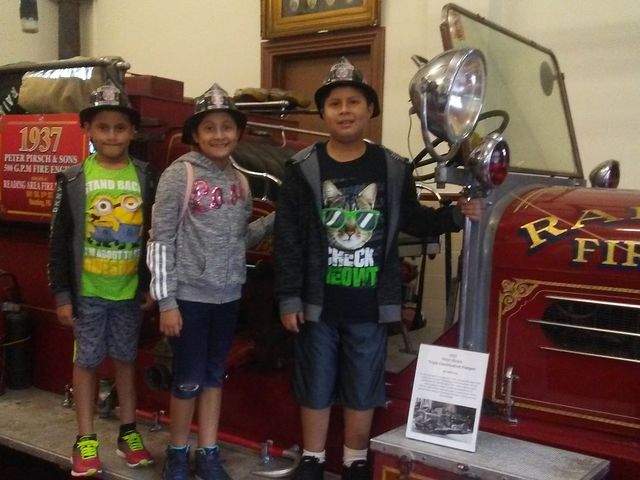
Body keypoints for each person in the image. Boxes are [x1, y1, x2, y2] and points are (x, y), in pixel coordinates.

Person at [274, 57, 482, 480]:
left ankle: (355, 461)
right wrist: (289, 297)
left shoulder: (392, 167)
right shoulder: (302, 168)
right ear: (323, 112)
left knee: (363, 384)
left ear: (370, 109)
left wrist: (455, 216)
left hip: (370, 304)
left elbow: (413, 219)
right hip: (317, 302)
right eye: (335, 103)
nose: (345, 110)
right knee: (315, 381)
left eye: (354, 101)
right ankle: (312, 460)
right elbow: (289, 238)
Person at [147, 83, 274, 480]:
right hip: (189, 299)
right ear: (196, 134)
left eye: (227, 127)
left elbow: (239, 240)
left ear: (238, 132)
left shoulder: (240, 181)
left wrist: (275, 220)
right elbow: (160, 240)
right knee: (187, 379)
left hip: (228, 297)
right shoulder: (179, 175)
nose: (219, 135)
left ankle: (208, 451)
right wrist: (167, 301)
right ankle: (177, 453)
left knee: (215, 376)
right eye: (210, 128)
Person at [48, 81, 155, 477]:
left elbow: (155, 236)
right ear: (87, 129)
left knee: (126, 360)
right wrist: (63, 294)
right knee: (87, 362)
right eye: (103, 127)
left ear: (133, 132)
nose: (112, 135)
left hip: (129, 292)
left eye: (120, 128)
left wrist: (150, 284)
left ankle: (128, 432)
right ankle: (86, 439)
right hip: (88, 292)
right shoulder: (74, 179)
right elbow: (59, 240)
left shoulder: (146, 176)